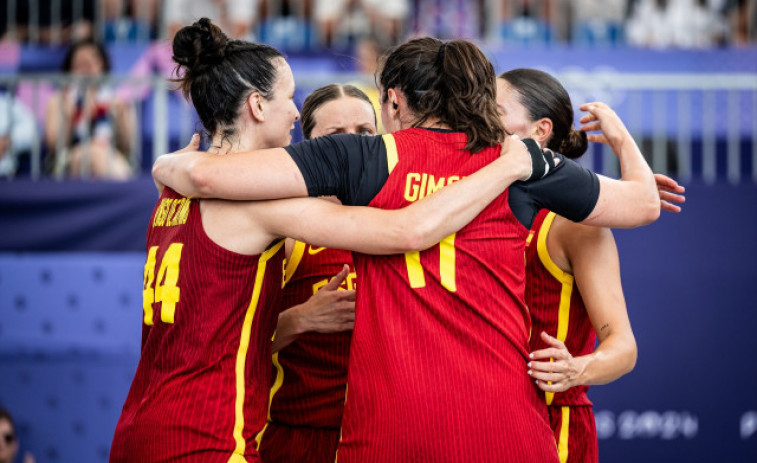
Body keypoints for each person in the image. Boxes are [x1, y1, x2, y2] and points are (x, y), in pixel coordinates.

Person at [152, 36, 660, 461]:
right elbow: (644, 204)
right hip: (506, 425)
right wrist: (619, 140)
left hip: (391, 426)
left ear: (393, 101)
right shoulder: (522, 161)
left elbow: (206, 174)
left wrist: (165, 166)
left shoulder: (363, 155)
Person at [111, 20, 545, 463]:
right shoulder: (260, 205)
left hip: (140, 427)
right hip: (210, 434)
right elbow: (407, 230)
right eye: (288, 98)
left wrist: (165, 164)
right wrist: (507, 167)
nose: (294, 113)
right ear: (258, 106)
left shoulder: (170, 196)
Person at [496, 68, 685, 463]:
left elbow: (623, 347)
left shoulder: (573, 225)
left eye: (493, 111)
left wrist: (577, 369)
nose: (479, 120)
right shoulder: (471, 201)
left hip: (553, 427)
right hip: (485, 421)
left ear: (538, 131)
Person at [257, 84, 377, 463]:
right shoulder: (287, 231)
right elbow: (220, 349)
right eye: (335, 136)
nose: (352, 145)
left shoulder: (407, 219)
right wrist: (300, 319)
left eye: (364, 133)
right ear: (307, 144)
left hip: (383, 437)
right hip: (299, 440)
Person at [44, 38, 134, 179]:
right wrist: (70, 116)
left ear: (103, 66)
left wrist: (121, 118)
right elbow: (55, 147)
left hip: (109, 155)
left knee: (100, 155)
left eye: (92, 63)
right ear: (70, 69)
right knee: (91, 154)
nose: (88, 70)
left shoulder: (116, 100)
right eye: (81, 64)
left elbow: (127, 146)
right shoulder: (59, 100)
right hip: (69, 159)